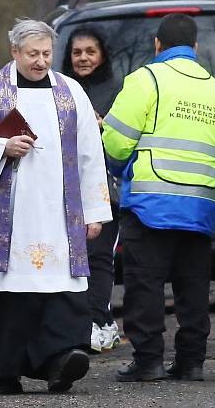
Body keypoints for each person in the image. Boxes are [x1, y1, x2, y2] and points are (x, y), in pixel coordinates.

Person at [0, 18, 111, 395]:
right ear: (14, 52)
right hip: (4, 215)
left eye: (47, 54)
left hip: (58, 214)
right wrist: (0, 147)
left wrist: (96, 210)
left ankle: (61, 360)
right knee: (9, 295)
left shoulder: (71, 92)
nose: (40, 62)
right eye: (33, 54)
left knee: (60, 291)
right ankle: (7, 371)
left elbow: (89, 152)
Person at [102, 13, 215, 382]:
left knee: (146, 283)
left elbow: (115, 140)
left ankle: (149, 361)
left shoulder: (145, 80)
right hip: (201, 204)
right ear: (195, 48)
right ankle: (191, 361)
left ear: (157, 45)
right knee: (193, 286)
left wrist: (123, 163)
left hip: (151, 201)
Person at [62, 26, 122, 353]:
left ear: (102, 54)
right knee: (72, 259)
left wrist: (103, 125)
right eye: (77, 52)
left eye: (90, 51)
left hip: (106, 186)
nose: (83, 58)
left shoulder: (117, 89)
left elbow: (127, 135)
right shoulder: (60, 89)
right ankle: (83, 321)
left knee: (98, 257)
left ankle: (99, 321)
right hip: (64, 188)